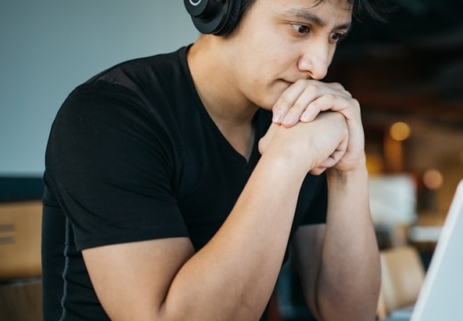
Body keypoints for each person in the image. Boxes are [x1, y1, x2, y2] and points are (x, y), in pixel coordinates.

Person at [41, 0, 382, 320]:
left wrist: (348, 171)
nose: (319, 66)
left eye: (335, 36)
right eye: (300, 28)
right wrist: (286, 158)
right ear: (221, 8)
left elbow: (348, 314)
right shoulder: (110, 114)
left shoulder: (297, 120)